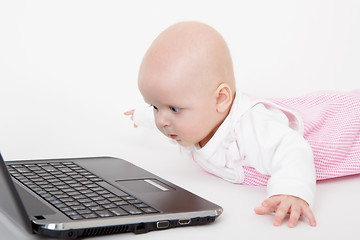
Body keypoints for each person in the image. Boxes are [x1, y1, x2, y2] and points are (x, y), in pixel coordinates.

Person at [124, 21, 360, 228]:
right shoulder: (188, 119)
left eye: (174, 109)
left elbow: (292, 149)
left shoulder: (250, 127)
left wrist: (291, 190)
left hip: (336, 130)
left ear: (221, 99)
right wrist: (141, 116)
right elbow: (164, 112)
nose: (162, 121)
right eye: (154, 107)